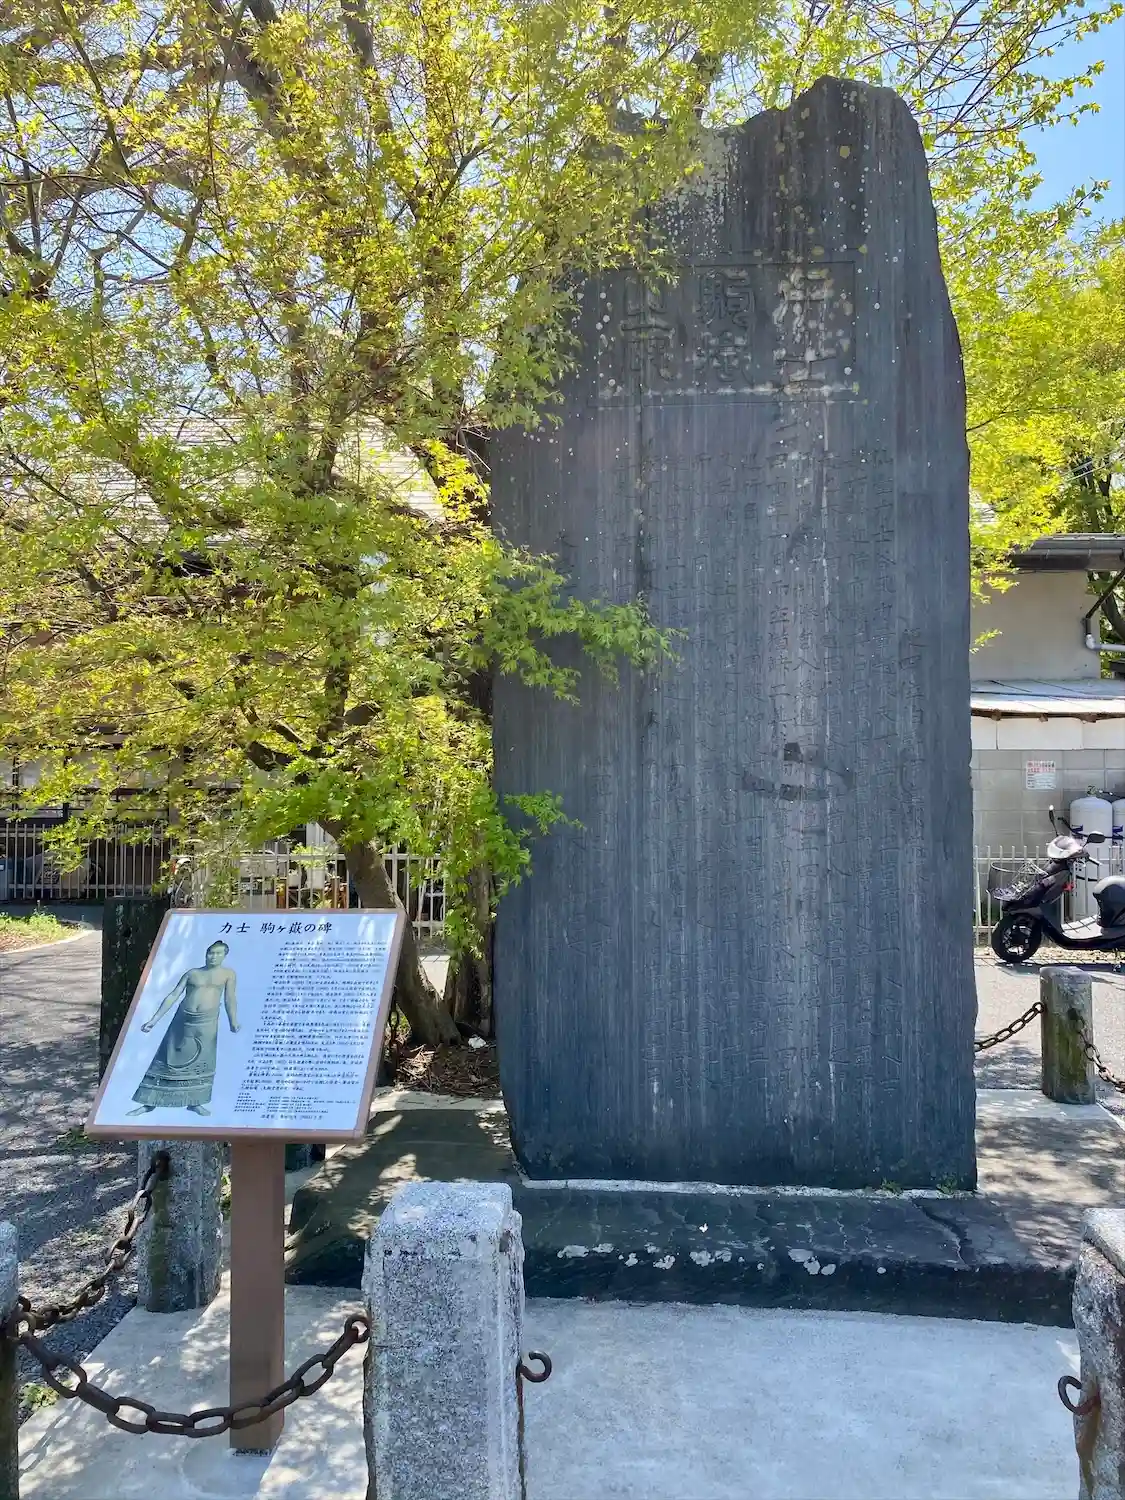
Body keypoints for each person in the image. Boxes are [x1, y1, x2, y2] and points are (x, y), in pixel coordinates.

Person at [127, 940, 239, 1116]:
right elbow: (173, 995)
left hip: (207, 1023)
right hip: (182, 1020)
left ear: (224, 956)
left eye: (218, 953)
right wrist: (154, 1020)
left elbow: (229, 998)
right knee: (166, 1059)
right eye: (210, 952)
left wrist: (233, 1021)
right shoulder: (192, 973)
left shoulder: (228, 974)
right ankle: (149, 1102)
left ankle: (195, 1102)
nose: (213, 956)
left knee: (202, 1062)